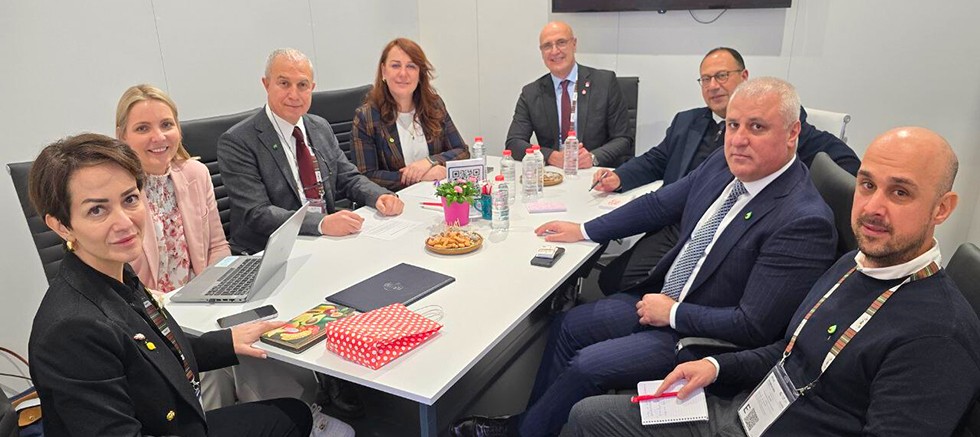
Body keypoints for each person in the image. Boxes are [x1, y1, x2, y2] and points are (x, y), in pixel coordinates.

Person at [452, 77, 838, 437]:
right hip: (665, 299)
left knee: (587, 364)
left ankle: (523, 431)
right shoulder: (726, 165)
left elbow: (752, 327)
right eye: (733, 125)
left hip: (702, 335)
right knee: (568, 325)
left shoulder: (802, 220)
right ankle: (537, 425)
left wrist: (672, 313)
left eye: (756, 127)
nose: (738, 139)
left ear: (792, 133)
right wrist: (584, 229)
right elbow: (659, 204)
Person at [563, 126, 980, 437]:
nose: (873, 207)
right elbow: (791, 352)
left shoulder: (939, 337)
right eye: (867, 185)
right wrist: (716, 366)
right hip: (747, 409)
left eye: (900, 193)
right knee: (588, 416)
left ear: (942, 209)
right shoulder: (854, 264)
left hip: (770, 422)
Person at [26, 133, 312, 437]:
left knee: (292, 414)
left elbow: (155, 353)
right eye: (97, 210)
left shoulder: (114, 273)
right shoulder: (71, 331)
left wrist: (227, 342)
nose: (125, 222)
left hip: (180, 421)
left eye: (130, 199)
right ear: (61, 226)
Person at [591, 47, 861, 296]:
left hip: (729, 233)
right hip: (677, 223)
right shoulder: (687, 121)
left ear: (744, 77)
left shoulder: (781, 128)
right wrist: (620, 176)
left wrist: (795, 202)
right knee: (612, 279)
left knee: (638, 290)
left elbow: (844, 169)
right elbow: (657, 159)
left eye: (721, 76)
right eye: (705, 79)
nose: (713, 86)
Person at [219, 48, 404, 255]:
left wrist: (379, 196)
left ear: (312, 88)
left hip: (324, 243)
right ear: (266, 84)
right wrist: (321, 223)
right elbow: (257, 212)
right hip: (270, 252)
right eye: (284, 83)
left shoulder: (319, 127)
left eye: (302, 85)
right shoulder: (238, 141)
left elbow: (348, 178)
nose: (294, 95)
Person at [115, 84, 231, 293]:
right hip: (148, 305)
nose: (159, 137)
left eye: (166, 124)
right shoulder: (115, 192)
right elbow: (117, 277)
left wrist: (213, 290)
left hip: (202, 296)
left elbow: (217, 246)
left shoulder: (196, 174)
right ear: (122, 136)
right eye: (142, 128)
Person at [505, 21, 633, 167]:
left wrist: (592, 157)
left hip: (595, 171)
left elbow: (623, 139)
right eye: (547, 46)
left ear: (574, 44)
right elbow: (514, 143)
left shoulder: (605, 83)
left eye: (561, 42)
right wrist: (550, 156)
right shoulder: (531, 93)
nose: (554, 51)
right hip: (554, 173)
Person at [351, 37, 470, 191]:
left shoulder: (434, 105)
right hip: (393, 200)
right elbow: (365, 176)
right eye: (395, 65)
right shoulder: (367, 117)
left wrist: (429, 162)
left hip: (434, 195)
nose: (403, 73)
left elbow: (462, 151)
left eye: (411, 66)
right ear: (383, 71)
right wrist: (416, 177)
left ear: (420, 74)